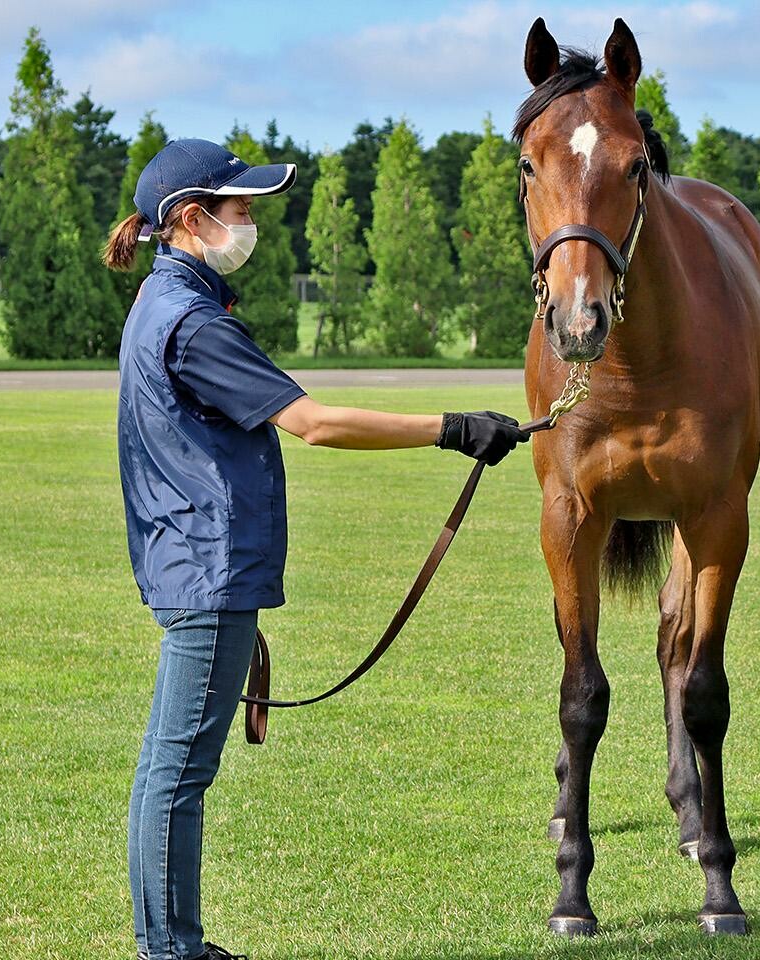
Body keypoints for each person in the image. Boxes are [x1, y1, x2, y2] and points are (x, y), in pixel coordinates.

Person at [103, 138, 528, 960]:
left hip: (200, 564)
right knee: (176, 774)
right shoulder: (189, 322)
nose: (250, 222)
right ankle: (171, 951)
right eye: (240, 209)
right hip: (207, 570)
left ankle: (175, 944)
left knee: (174, 770)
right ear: (190, 219)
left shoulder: (174, 302)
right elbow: (316, 422)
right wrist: (455, 429)